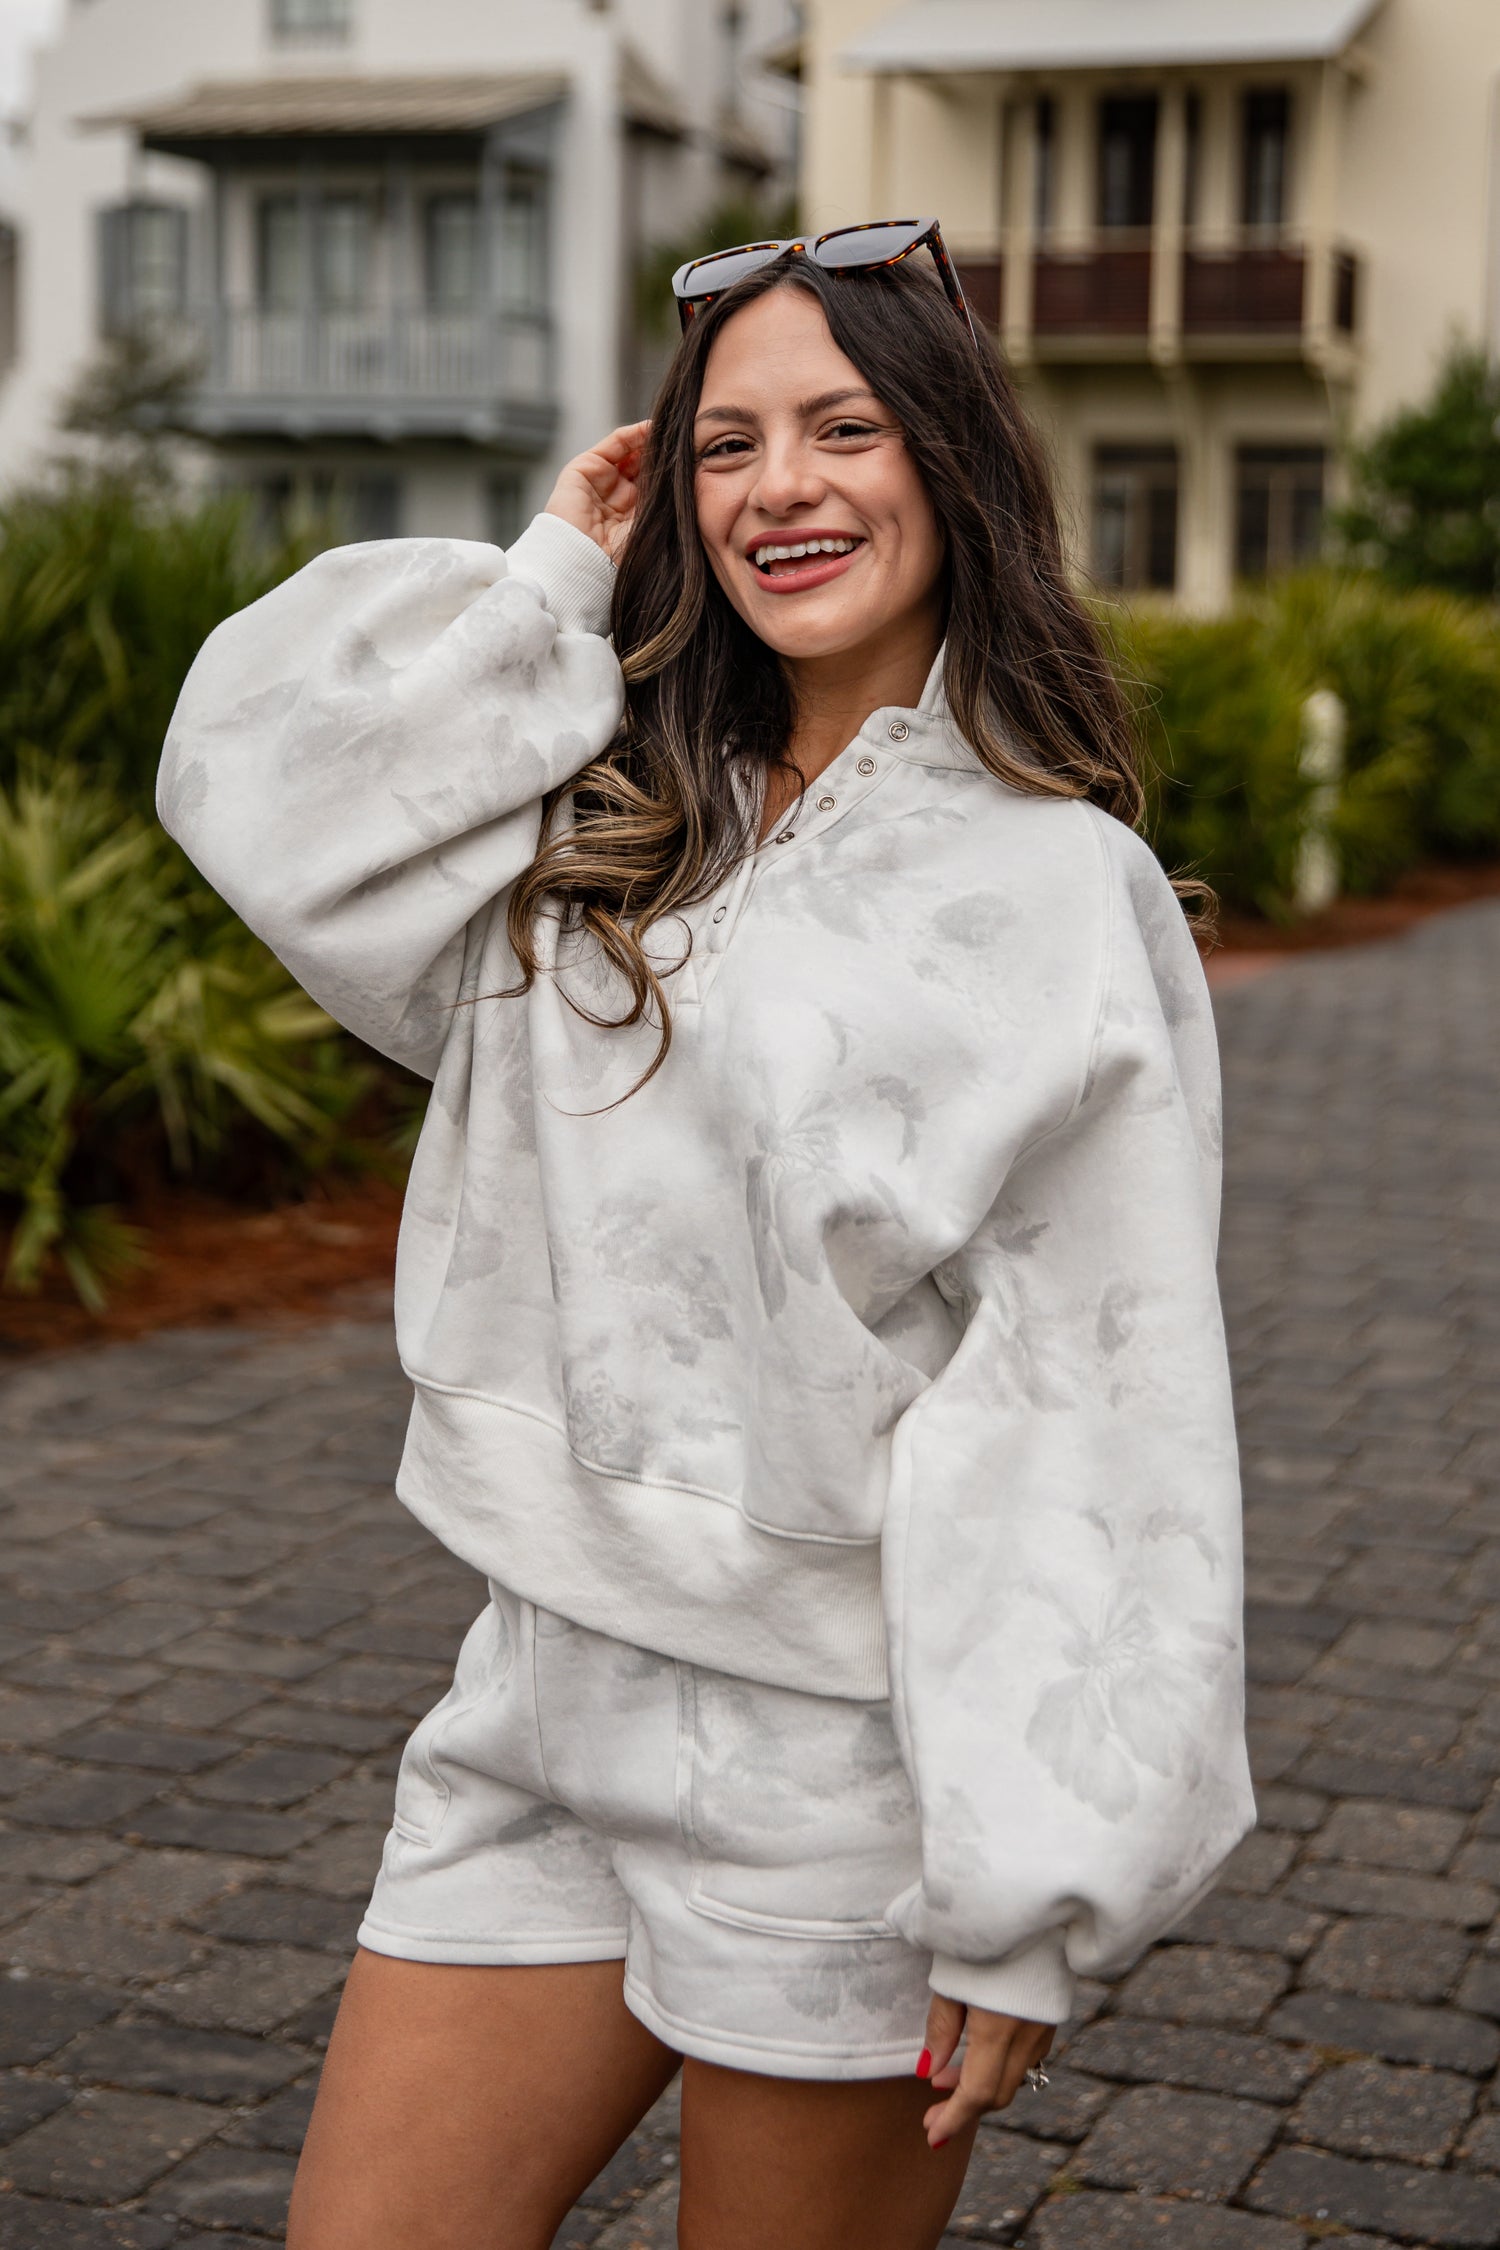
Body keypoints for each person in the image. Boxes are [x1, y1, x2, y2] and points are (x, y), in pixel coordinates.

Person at [158, 221, 1255, 2250]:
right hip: (533, 1697)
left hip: (836, 1772)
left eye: (843, 426)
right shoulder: (607, 796)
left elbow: (1093, 1392)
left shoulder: (1058, 883)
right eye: (724, 443)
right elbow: (270, 807)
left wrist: (1033, 1887)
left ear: (952, 459)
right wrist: (560, 571)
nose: (780, 488)